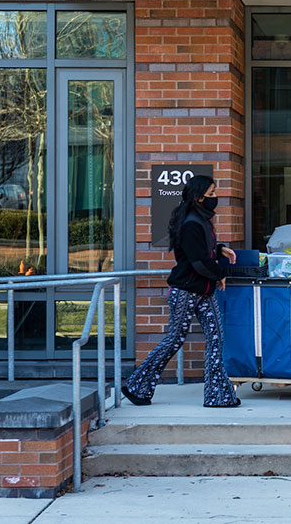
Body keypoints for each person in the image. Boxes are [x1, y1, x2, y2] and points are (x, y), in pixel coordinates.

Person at [122, 175, 241, 408]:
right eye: (212, 194)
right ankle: (137, 385)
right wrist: (220, 274)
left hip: (203, 291)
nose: (216, 198)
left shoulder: (201, 220)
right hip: (186, 290)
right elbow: (197, 262)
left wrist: (220, 250)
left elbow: (202, 252)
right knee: (175, 339)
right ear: (198, 197)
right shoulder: (191, 223)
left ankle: (218, 396)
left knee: (216, 339)